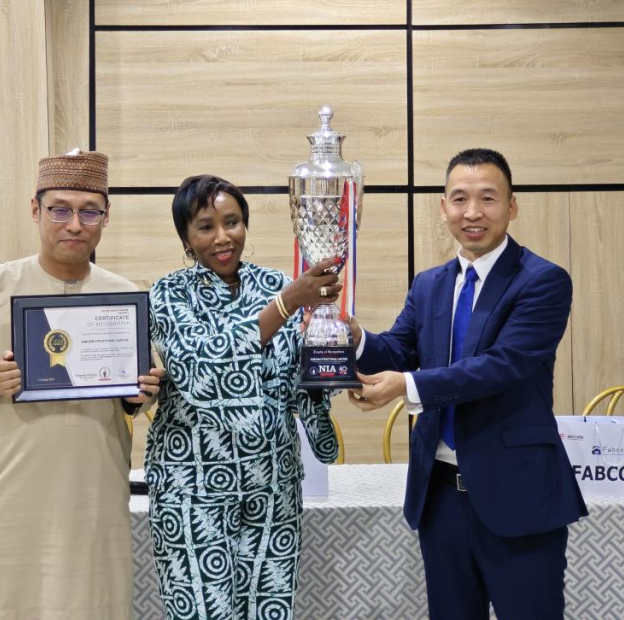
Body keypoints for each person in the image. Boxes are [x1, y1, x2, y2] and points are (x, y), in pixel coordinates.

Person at [349, 149, 587, 619]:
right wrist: (351, 336)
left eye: (487, 198)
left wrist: (405, 386)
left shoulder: (542, 281)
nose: (472, 212)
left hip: (518, 494)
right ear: (443, 208)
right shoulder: (429, 284)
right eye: (459, 199)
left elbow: (501, 366)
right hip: (439, 496)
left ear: (511, 206)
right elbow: (398, 350)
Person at [0, 148, 163, 620]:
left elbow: (143, 386)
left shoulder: (125, 296)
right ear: (36, 210)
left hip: (92, 489)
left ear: (106, 217)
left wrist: (141, 393)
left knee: (90, 604)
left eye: (89, 211)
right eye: (60, 210)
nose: (74, 224)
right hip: (9, 489)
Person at [146, 174, 340, 619]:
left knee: (269, 610)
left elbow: (295, 385)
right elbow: (200, 371)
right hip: (193, 487)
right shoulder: (169, 295)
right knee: (202, 612)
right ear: (186, 237)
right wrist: (286, 305)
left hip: (273, 486)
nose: (222, 237)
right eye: (205, 226)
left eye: (232, 222)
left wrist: (325, 356)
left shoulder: (277, 283)